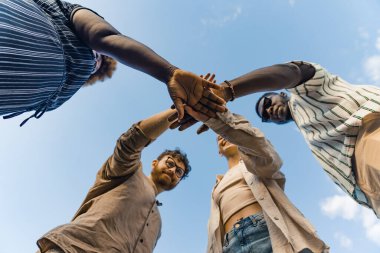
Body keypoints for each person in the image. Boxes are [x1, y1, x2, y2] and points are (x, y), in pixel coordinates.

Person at [179, 62, 380, 217]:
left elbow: (291, 72)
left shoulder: (306, 93)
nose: (268, 110)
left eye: (268, 102)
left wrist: (226, 91)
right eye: (265, 115)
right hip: (366, 190)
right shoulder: (308, 131)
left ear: (282, 93)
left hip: (370, 133)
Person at [0, 0, 225, 126]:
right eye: (98, 54)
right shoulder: (60, 9)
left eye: (98, 60)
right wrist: (168, 72)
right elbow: (103, 37)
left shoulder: (59, 91)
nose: (95, 56)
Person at [36, 108, 191, 253]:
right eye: (170, 163)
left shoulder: (158, 226)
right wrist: (179, 110)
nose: (172, 170)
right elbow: (129, 144)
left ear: (178, 181)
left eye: (179, 172)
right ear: (155, 163)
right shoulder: (130, 171)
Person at [184, 105, 329, 253]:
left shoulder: (256, 164)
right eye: (220, 139)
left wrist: (222, 121)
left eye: (225, 135)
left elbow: (265, 154)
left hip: (266, 232)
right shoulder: (217, 186)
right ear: (219, 152)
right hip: (230, 245)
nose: (223, 138)